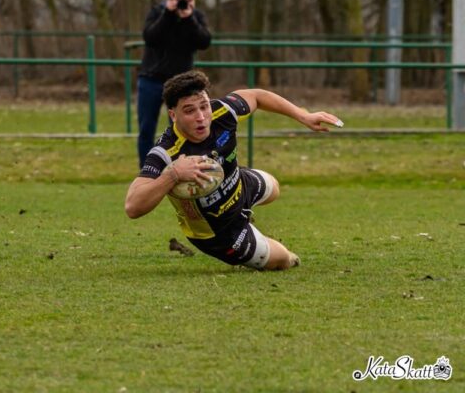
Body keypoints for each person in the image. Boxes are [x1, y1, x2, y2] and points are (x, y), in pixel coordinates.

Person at [124, 70, 343, 271]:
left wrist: (303, 115)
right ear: (173, 115)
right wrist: (173, 175)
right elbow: (133, 206)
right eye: (189, 111)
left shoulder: (223, 112)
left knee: (274, 187)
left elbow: (256, 96)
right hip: (218, 232)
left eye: (204, 106)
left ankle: (249, 220)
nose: (201, 117)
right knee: (284, 261)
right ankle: (256, 243)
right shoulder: (165, 152)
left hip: (240, 184)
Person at [137, 0, 212, 168]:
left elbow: (204, 42)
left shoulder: (196, 17)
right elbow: (150, 37)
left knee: (182, 129)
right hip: (151, 79)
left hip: (181, 85)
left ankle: (184, 167)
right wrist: (167, 14)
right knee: (146, 128)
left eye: (190, 1)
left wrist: (190, 18)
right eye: (182, 1)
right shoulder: (158, 13)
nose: (185, 4)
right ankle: (147, 170)